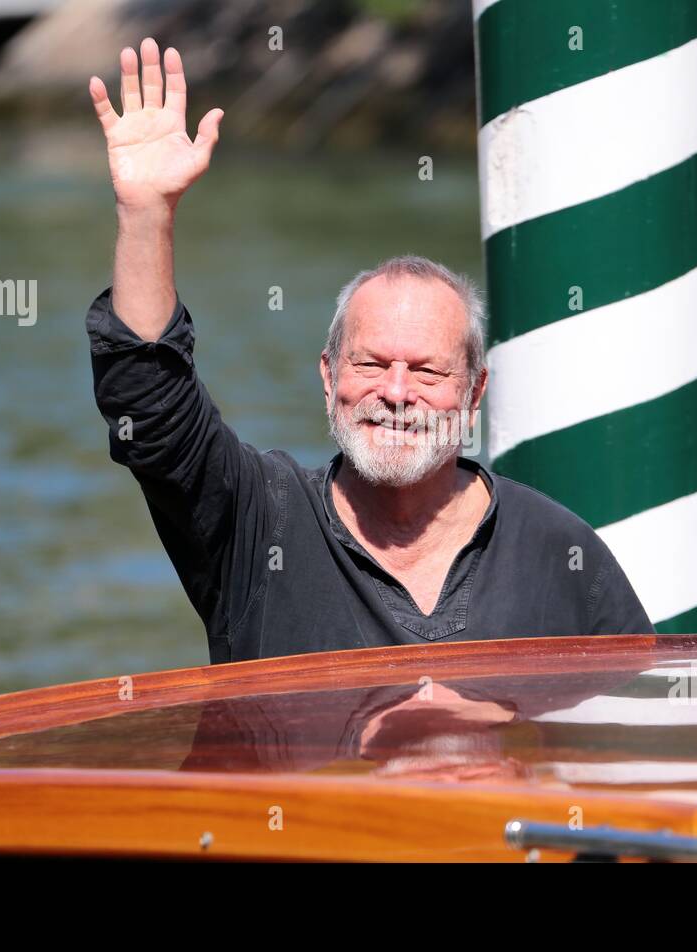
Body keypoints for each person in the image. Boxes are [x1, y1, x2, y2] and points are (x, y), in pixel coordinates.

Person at [86, 39, 653, 663]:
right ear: (329, 378)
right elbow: (150, 408)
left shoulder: (559, 553)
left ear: (474, 393)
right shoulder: (256, 524)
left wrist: (504, 738)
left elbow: (633, 735)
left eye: (429, 370)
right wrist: (146, 213)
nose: (397, 392)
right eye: (371, 364)